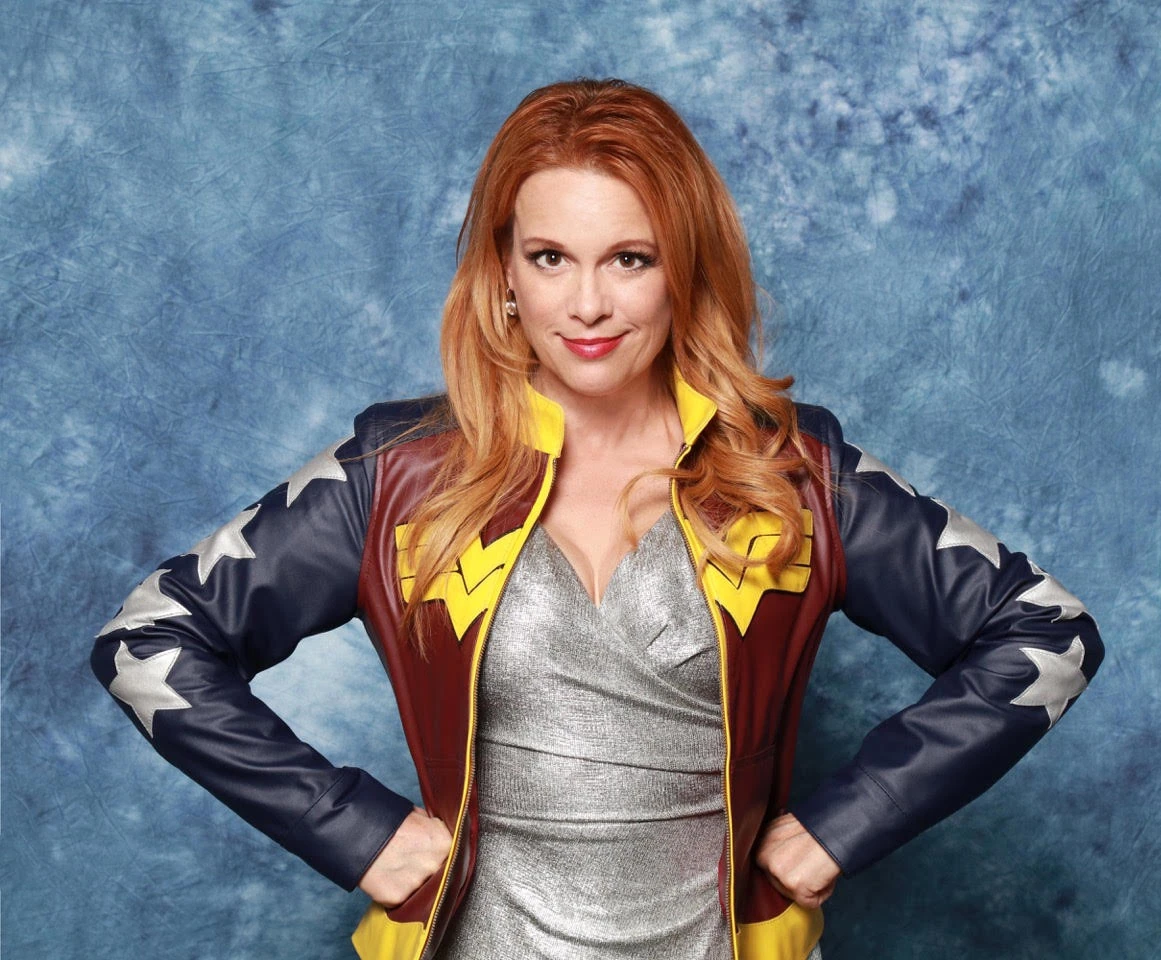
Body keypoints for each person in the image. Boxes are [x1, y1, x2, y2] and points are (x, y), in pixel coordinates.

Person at [91, 78, 1104, 960]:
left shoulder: (794, 472)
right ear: (503, 273)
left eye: (629, 259)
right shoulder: (395, 472)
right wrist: (351, 829)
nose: (586, 304)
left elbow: (1045, 634)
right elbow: (150, 640)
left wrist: (851, 819)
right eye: (549, 257)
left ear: (686, 268)